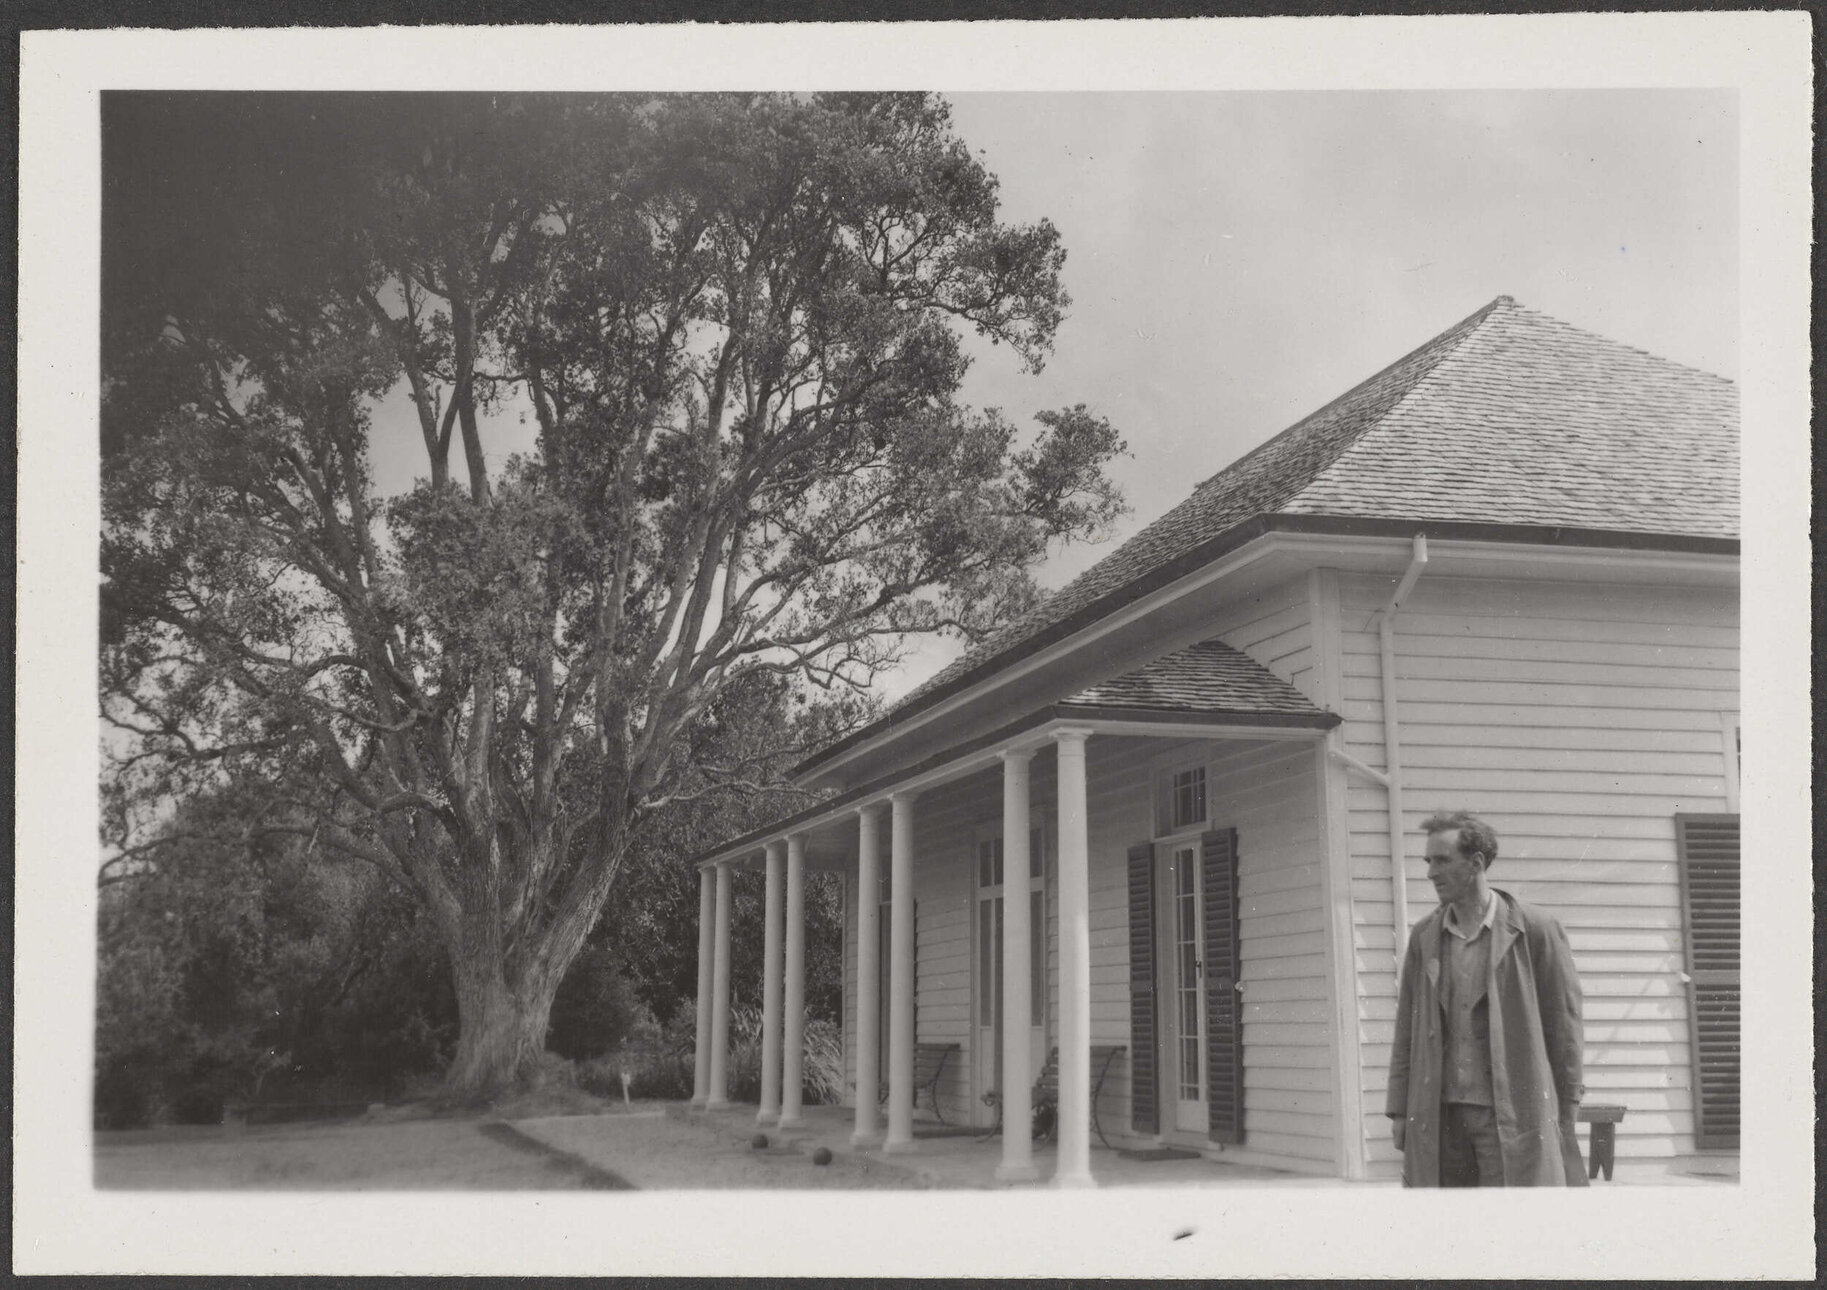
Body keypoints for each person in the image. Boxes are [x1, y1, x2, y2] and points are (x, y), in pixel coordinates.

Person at [1387, 810, 1588, 1187]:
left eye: (1442, 860)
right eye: (1428, 861)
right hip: (1439, 1118)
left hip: (1512, 1118)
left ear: (1476, 863)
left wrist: (1567, 1110)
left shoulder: (1535, 930)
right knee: (1445, 1219)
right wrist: (1399, 1111)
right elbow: (1406, 1032)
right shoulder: (1425, 936)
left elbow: (1564, 1029)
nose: (1431, 873)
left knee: (1512, 1216)